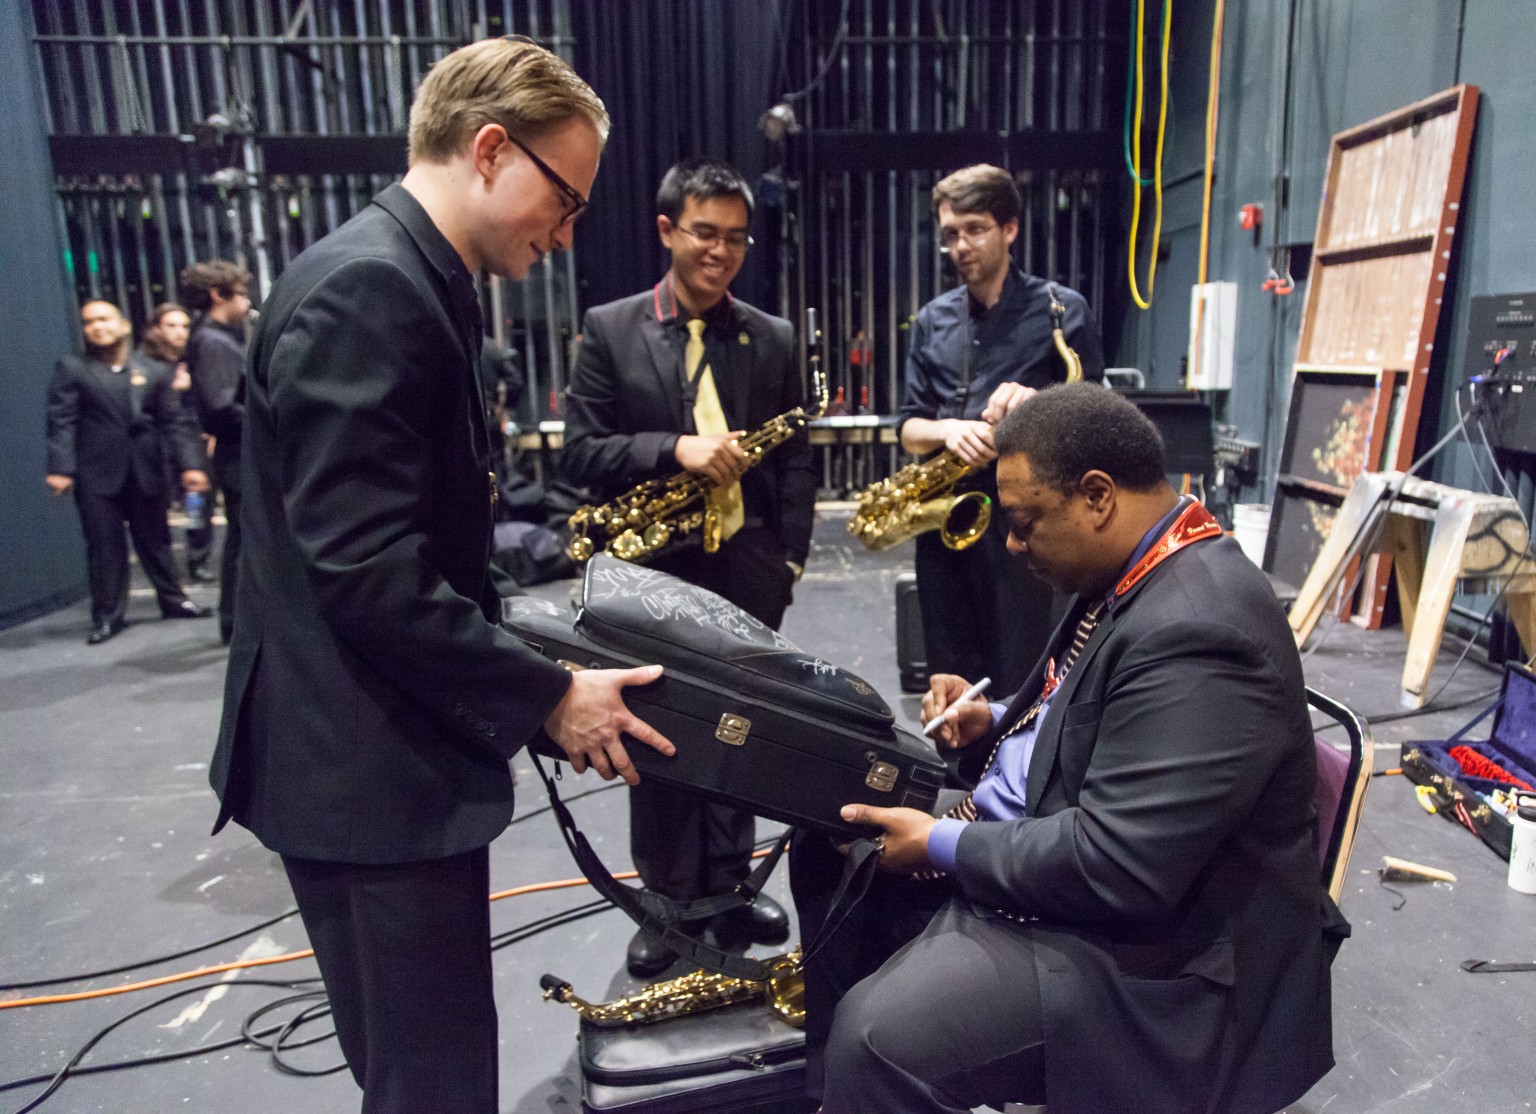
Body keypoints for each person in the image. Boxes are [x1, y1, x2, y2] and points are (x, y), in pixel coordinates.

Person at [207, 37, 675, 1113]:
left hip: (379, 758)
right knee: (434, 1086)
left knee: (433, 1072)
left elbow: (413, 531)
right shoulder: (373, 289)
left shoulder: (414, 276)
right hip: (361, 773)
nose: (565, 233)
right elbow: (367, 571)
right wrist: (551, 694)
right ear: (492, 149)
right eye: (564, 198)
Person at [790, 383, 1342, 1114]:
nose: (1012, 544)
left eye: (1024, 523)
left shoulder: (1201, 630)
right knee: (831, 832)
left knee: (881, 1037)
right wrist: (991, 719)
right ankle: (838, 1095)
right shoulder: (1135, 565)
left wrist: (940, 846)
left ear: (1097, 496)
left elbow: (1119, 867)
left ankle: (867, 1079)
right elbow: (1098, 708)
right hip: (1066, 846)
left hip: (1163, 961)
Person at [562, 158, 815, 977]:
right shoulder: (610, 328)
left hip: (747, 572)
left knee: (745, 736)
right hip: (652, 578)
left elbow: (798, 461)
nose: (723, 252)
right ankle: (667, 907)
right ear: (667, 229)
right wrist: (673, 449)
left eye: (737, 238)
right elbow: (581, 452)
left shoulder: (770, 337)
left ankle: (733, 888)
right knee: (660, 739)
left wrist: (791, 560)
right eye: (706, 233)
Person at [900, 164, 1106, 698]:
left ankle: (1020, 775)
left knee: (1024, 671)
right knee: (950, 675)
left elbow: (1096, 415)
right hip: (945, 522)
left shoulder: (1064, 312)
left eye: (975, 229)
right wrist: (946, 432)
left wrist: (1039, 404)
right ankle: (956, 779)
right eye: (950, 235)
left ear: (1010, 228)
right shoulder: (930, 321)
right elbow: (907, 427)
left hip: (1027, 526)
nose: (961, 246)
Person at [45, 301, 212, 644]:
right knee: (104, 547)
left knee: (157, 541)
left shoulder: (153, 369)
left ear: (122, 325)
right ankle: (107, 616)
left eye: (104, 319)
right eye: (89, 322)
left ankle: (173, 599)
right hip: (96, 472)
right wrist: (61, 467)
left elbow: (173, 422)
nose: (97, 326)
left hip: (145, 468)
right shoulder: (73, 368)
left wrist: (191, 465)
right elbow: (61, 421)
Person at [180, 261, 252, 640]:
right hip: (238, 453)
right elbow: (221, 406)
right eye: (240, 293)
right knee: (245, 539)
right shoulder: (213, 341)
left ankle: (238, 621)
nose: (246, 302)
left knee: (245, 538)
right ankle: (236, 621)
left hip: (237, 451)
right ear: (218, 295)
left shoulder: (218, 338)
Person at [137, 301, 215, 582]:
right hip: (157, 448)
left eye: (184, 326)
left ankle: (197, 559)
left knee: (197, 504)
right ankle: (166, 570)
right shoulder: (142, 365)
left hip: (192, 444)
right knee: (157, 511)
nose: (179, 332)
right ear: (155, 329)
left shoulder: (192, 360)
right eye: (171, 325)